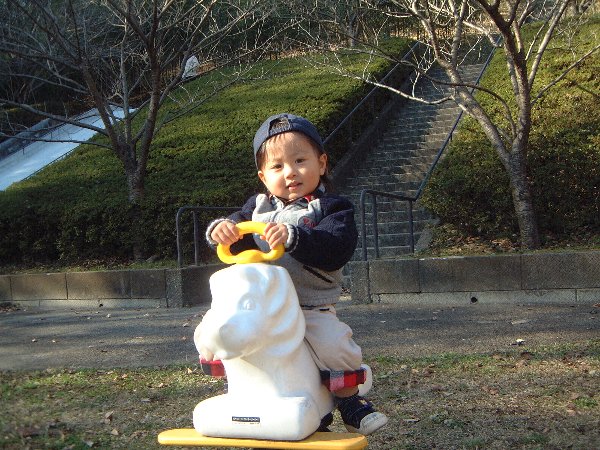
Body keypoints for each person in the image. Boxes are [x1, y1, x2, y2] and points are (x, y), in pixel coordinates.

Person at [205, 113, 388, 435]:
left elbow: (336, 247)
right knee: (213, 330)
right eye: (277, 167)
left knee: (333, 345)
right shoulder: (256, 208)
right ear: (263, 176)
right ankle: (233, 380)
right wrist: (223, 229)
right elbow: (235, 226)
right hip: (262, 308)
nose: (290, 172)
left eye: (300, 161)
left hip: (309, 306)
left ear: (322, 163)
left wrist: (295, 237)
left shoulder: (331, 208)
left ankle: (348, 399)